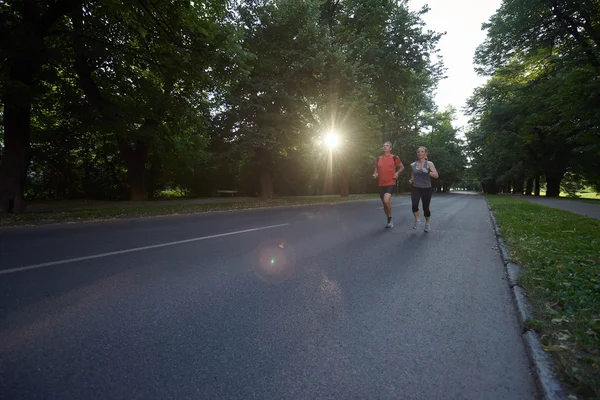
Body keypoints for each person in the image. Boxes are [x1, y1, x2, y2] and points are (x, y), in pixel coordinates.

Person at [373, 141, 404, 228]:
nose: (385, 147)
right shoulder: (378, 159)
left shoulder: (394, 157)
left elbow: (402, 167)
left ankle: (390, 219)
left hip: (390, 182)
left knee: (386, 200)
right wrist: (375, 174)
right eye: (384, 146)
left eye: (387, 146)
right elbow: (376, 170)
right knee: (384, 204)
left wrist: (397, 173)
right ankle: (389, 219)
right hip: (381, 184)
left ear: (390, 148)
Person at [408, 146, 439, 232]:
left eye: (422, 152)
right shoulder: (413, 164)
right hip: (416, 187)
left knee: (426, 208)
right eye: (418, 152)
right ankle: (417, 220)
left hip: (426, 188)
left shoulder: (429, 164)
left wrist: (428, 172)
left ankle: (427, 223)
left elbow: (436, 175)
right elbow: (413, 175)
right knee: (414, 205)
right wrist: (411, 180)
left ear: (425, 153)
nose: (420, 153)